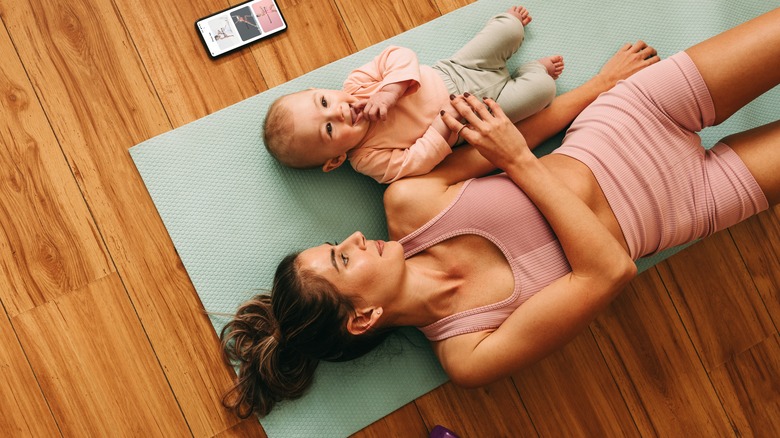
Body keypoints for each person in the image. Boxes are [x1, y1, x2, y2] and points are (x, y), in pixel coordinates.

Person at [221, 8, 780, 418]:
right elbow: (609, 271)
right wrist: (516, 161)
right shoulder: (469, 353)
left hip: (631, 115)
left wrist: (601, 85)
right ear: (362, 316)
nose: (356, 236)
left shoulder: (408, 202)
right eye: (343, 258)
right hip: (697, 199)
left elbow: (524, 131)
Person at [263, 6, 564, 183]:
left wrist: (390, 91)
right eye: (328, 128)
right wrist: (446, 123)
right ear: (335, 160)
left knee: (507, 30)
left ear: (321, 90)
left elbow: (399, 55)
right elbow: (415, 162)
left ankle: (510, 24)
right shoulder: (367, 159)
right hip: (477, 115)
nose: (338, 112)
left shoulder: (355, 84)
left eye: (325, 102)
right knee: (542, 92)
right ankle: (534, 71)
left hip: (456, 69)